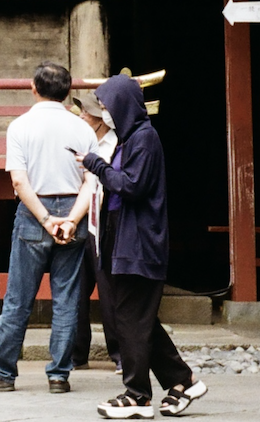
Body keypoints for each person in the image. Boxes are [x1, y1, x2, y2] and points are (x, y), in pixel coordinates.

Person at [79, 76, 208, 421]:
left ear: (121, 106)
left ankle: (137, 395)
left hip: (140, 241)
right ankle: (183, 380)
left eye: (106, 106)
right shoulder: (129, 139)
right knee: (137, 319)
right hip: (124, 239)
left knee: (131, 321)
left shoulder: (145, 139)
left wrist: (96, 164)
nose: (103, 112)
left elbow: (132, 186)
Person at [0, 62, 98, 396]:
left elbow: (18, 180)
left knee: (17, 300)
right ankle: (59, 374)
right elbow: (92, 180)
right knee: (67, 299)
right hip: (74, 210)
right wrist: (70, 219)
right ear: (69, 91)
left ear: (33, 87)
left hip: (34, 212)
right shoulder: (83, 128)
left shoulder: (20, 126)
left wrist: (45, 218)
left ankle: (3, 372)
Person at [71, 91, 120, 372]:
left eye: (86, 113)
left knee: (109, 289)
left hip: (107, 221)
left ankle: (119, 353)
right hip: (81, 218)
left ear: (101, 119)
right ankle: (77, 353)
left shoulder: (117, 144)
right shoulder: (81, 141)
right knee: (76, 288)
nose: (81, 116)